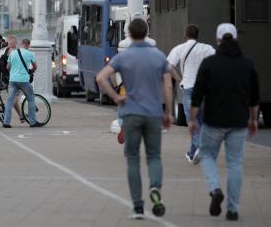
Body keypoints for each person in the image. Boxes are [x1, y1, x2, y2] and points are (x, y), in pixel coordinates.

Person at [96, 18, 173, 219]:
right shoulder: (158, 56)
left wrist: (115, 97)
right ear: (146, 32)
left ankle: (138, 207)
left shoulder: (124, 57)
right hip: (154, 114)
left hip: (130, 112)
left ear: (129, 34)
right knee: (154, 156)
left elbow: (100, 77)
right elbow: (168, 86)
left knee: (132, 158)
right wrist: (169, 112)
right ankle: (155, 188)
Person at [189, 23, 259, 221]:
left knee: (208, 155)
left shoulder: (210, 63)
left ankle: (215, 189)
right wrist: (253, 119)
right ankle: (233, 209)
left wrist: (193, 119)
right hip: (238, 121)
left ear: (218, 40)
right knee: (235, 163)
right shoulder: (248, 63)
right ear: (236, 38)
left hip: (213, 121)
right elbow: (254, 97)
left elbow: (198, 94)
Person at [167, 24, 215, 164]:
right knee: (200, 121)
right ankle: (192, 153)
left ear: (185, 35)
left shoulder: (179, 49)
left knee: (192, 121)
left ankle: (200, 146)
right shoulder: (206, 48)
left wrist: (177, 78)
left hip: (188, 88)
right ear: (197, 35)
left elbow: (168, 66)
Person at [3, 39, 42, 128]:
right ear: (28, 45)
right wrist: (31, 71)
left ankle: (6, 122)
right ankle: (32, 122)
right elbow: (35, 66)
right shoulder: (29, 54)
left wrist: (13, 71)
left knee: (10, 101)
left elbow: (8, 67)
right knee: (31, 99)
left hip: (12, 80)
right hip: (24, 80)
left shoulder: (12, 53)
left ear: (21, 44)